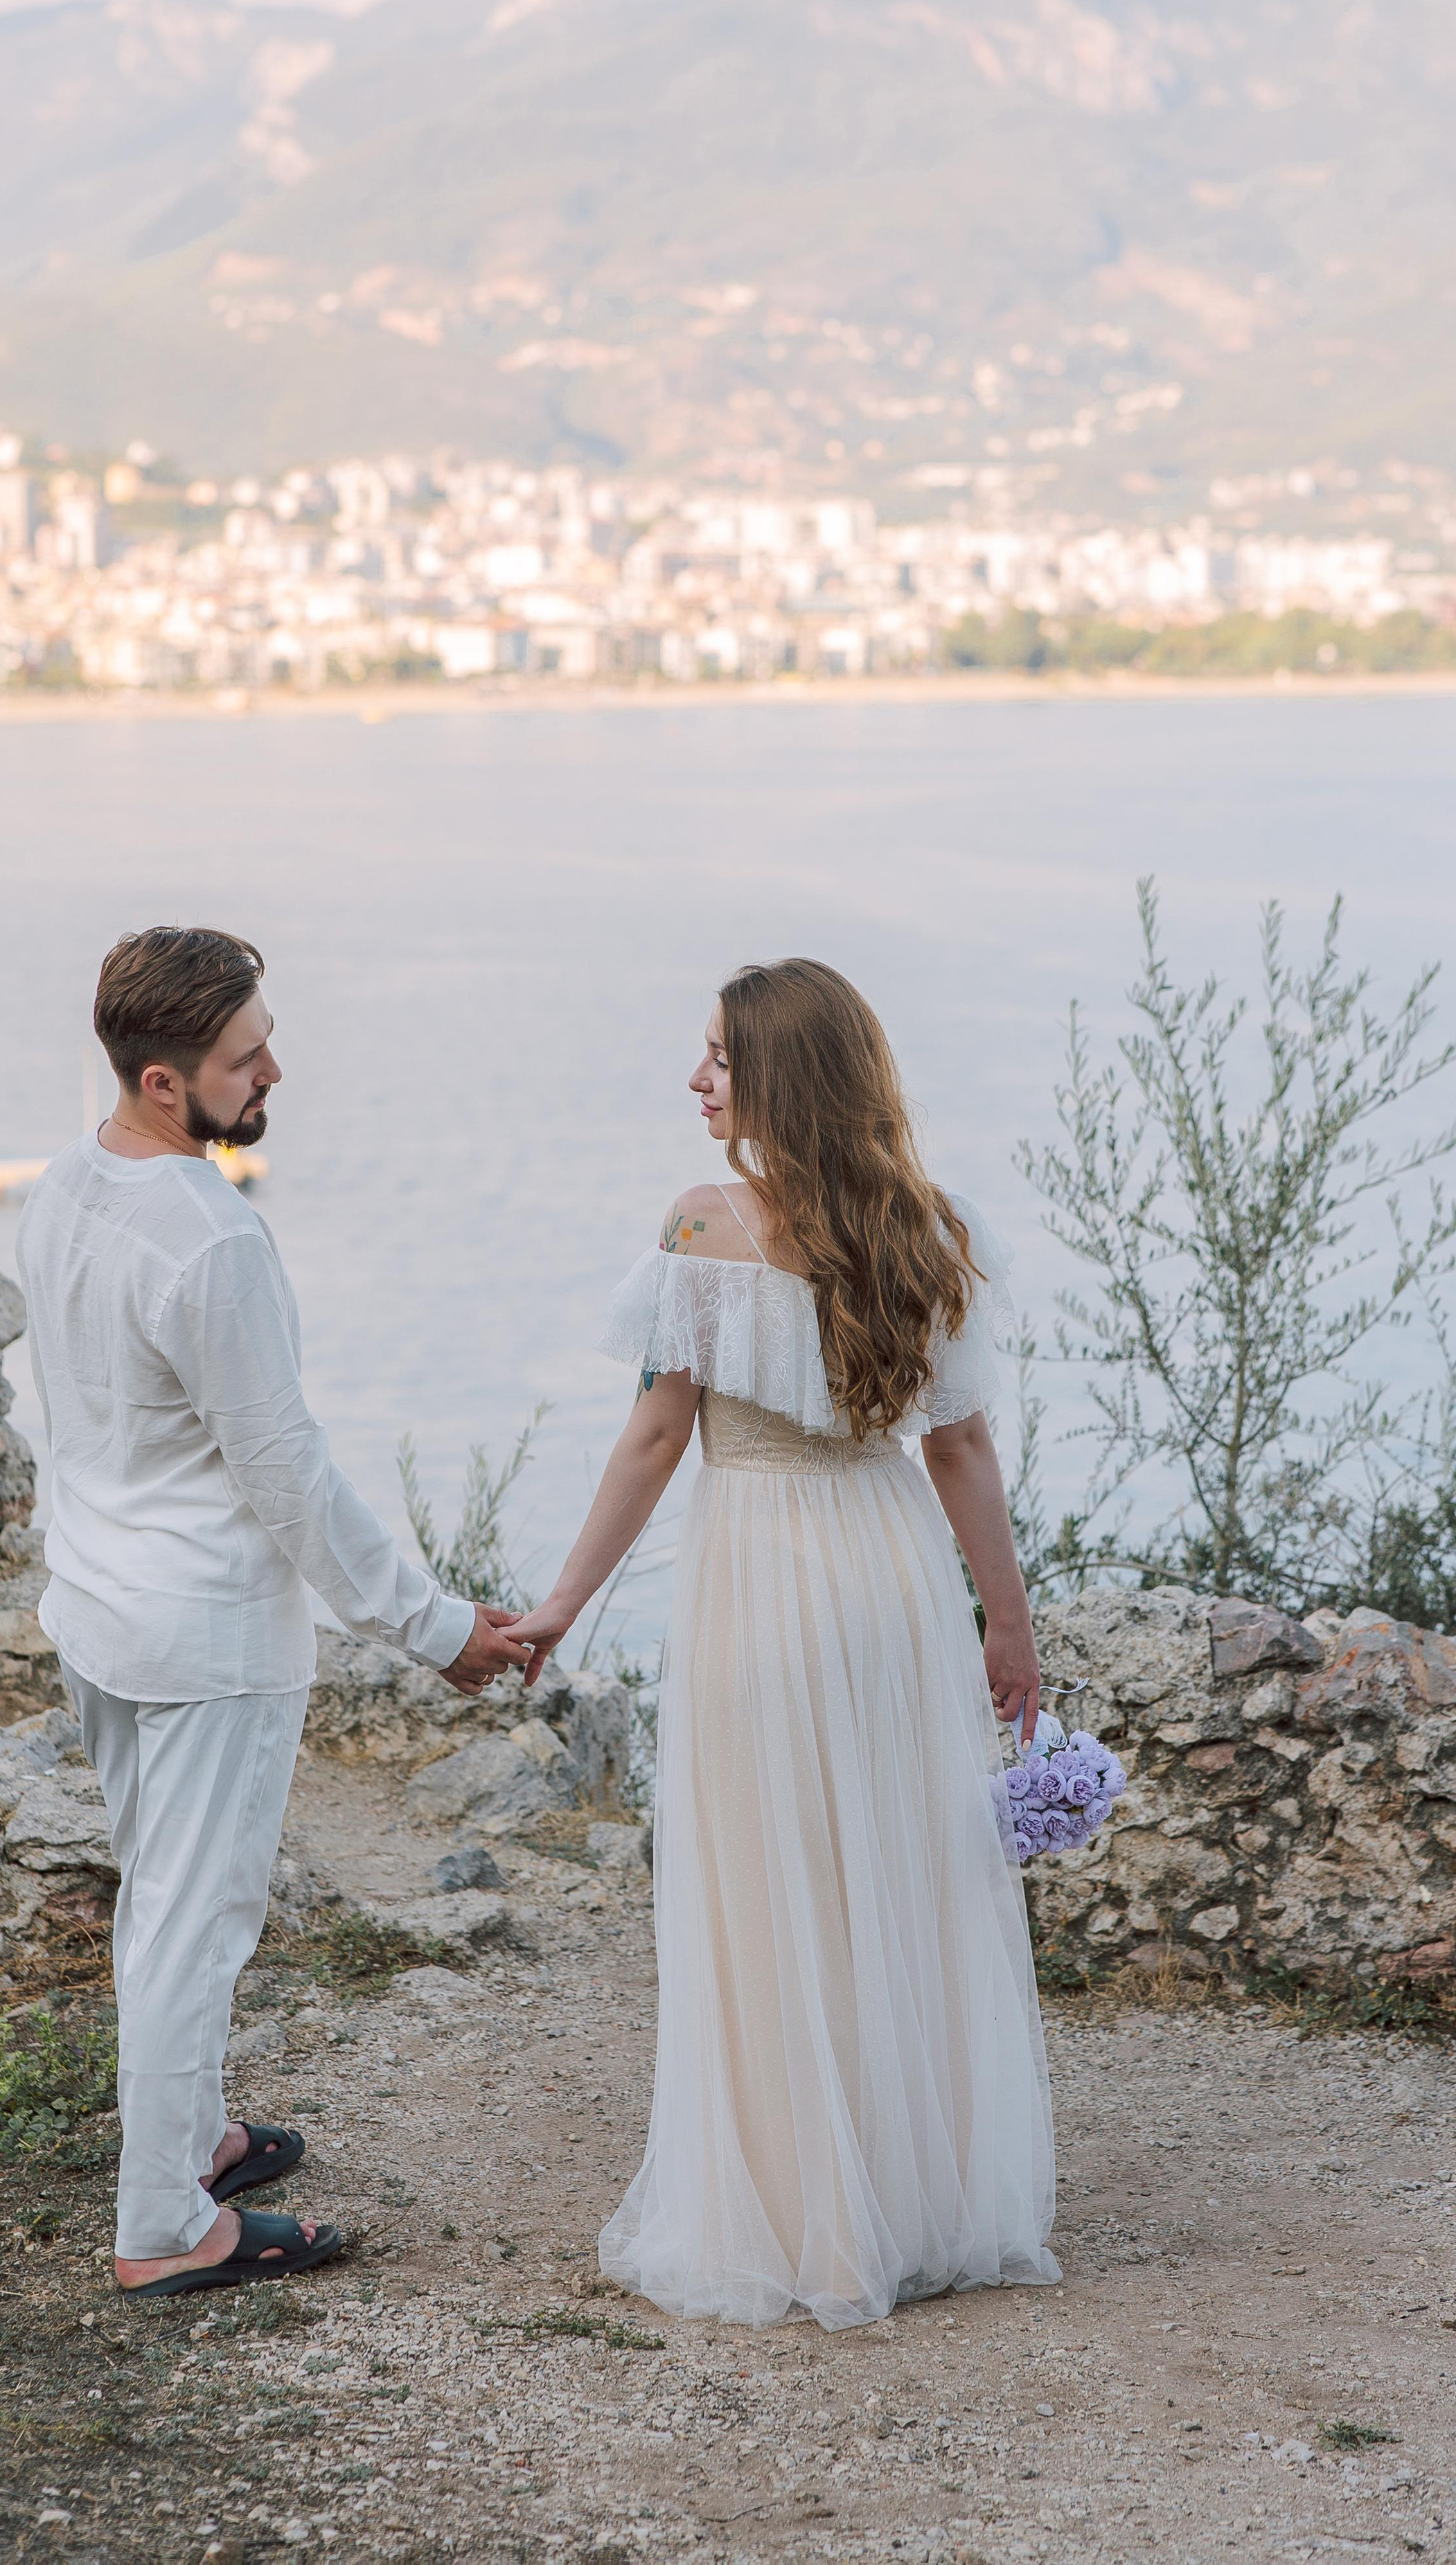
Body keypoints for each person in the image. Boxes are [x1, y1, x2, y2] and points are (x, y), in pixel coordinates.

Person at [504, 959, 1059, 2328]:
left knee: (766, 1886)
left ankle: (808, 2225)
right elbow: (965, 1451)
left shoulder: (702, 1229)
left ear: (779, 1082)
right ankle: (905, 2197)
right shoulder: (932, 1228)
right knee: (892, 1874)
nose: (695, 1082)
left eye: (718, 1059)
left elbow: (650, 1440)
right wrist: (1006, 1622)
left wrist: (563, 1603)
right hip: (888, 1582)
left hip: (755, 1575)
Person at [15, 926, 527, 2299]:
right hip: (204, 1636)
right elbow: (285, 1473)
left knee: (160, 1907)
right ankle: (163, 2225)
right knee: (195, 1923)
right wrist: (431, 1629)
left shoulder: (66, 1187)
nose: (275, 1072)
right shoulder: (213, 1239)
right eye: (248, 1058)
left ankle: (193, 2143)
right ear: (168, 1081)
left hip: (105, 1614)